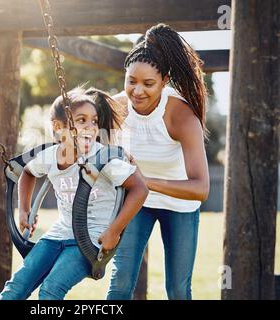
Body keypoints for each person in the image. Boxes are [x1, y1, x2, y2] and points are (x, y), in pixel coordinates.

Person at [0, 86, 148, 300]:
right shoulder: (50, 156)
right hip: (58, 234)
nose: (90, 127)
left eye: (94, 121)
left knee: (50, 290)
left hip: (90, 240)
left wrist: (114, 231)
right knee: (15, 288)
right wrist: (24, 209)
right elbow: (28, 173)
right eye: (81, 120)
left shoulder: (103, 158)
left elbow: (140, 189)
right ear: (59, 127)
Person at [107, 23, 210, 300]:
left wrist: (143, 181)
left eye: (148, 84)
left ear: (164, 80)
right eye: (131, 81)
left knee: (177, 290)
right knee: (120, 284)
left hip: (179, 204)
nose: (137, 91)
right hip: (137, 202)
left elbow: (201, 189)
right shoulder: (115, 108)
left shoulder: (181, 116)